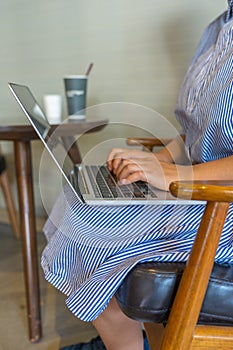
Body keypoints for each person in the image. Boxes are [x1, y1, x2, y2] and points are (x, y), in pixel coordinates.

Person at [41, 2, 233, 349]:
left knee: (94, 226)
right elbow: (193, 130)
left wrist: (172, 174)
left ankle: (124, 332)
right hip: (192, 187)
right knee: (80, 196)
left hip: (221, 204)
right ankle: (127, 335)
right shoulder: (217, 29)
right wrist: (150, 165)